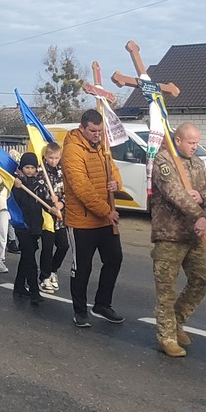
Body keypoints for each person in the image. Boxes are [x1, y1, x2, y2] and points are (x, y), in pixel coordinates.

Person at [148, 122, 206, 357]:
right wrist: (199, 214)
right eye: (191, 142)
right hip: (169, 234)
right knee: (166, 289)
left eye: (197, 142)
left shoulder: (197, 162)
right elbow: (175, 193)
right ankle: (166, 337)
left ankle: (177, 321)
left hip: (193, 235)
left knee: (201, 280)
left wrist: (203, 196)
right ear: (177, 140)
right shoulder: (164, 161)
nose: (195, 147)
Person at [61, 110, 124, 328]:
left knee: (114, 258)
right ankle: (80, 311)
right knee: (82, 267)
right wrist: (106, 211)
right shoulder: (71, 151)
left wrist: (117, 184)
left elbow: (114, 172)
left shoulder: (103, 147)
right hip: (82, 221)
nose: (97, 135)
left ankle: (102, 304)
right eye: (93, 131)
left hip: (105, 221)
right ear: (82, 127)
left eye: (100, 130)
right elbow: (82, 188)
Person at [9, 151, 54, 303]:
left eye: (32, 167)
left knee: (27, 256)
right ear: (21, 168)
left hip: (35, 226)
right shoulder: (17, 183)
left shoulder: (39, 183)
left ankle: (19, 286)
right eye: (26, 167)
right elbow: (16, 202)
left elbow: (44, 202)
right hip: (22, 225)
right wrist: (16, 188)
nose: (29, 170)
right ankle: (34, 292)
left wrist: (53, 206)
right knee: (30, 260)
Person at [39, 140, 70, 294]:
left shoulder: (62, 171)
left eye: (56, 158)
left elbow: (67, 191)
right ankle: (44, 277)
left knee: (64, 245)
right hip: (46, 216)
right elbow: (38, 194)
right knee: (48, 247)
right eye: (51, 158)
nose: (53, 161)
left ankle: (53, 270)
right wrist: (51, 206)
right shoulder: (40, 171)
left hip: (60, 216)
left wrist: (62, 204)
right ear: (45, 156)